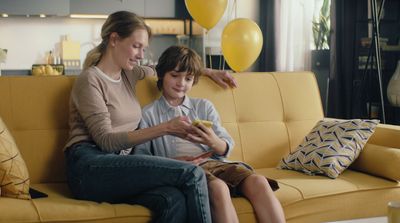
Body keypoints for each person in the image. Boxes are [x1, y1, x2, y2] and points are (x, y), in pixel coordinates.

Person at [63, 11, 237, 223]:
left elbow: (166, 69)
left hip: (120, 165)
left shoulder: (129, 73)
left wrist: (205, 72)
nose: (140, 54)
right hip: (89, 167)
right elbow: (106, 141)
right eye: (136, 46)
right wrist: (166, 128)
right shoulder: (90, 80)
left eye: (143, 48)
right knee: (192, 174)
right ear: (114, 39)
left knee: (173, 199)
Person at [135, 45, 286, 223]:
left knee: (259, 181)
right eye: (174, 76)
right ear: (161, 75)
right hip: (184, 170)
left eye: (188, 78)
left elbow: (226, 146)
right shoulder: (149, 113)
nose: (181, 83)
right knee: (219, 188)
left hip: (215, 163)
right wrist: (173, 163)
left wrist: (213, 141)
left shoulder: (203, 106)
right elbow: (141, 157)